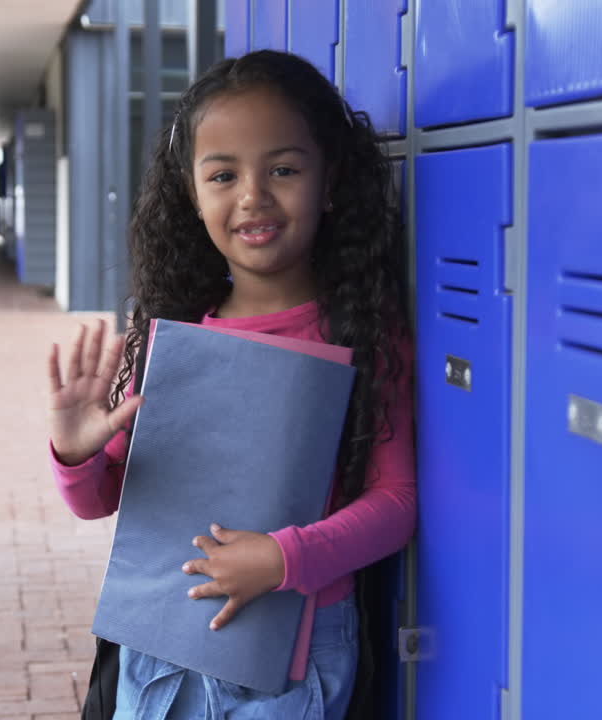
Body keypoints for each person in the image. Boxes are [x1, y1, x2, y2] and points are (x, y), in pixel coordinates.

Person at [46, 50, 415, 720]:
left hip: (289, 655)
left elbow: (396, 501)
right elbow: (103, 500)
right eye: (224, 174)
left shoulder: (362, 330)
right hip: (161, 648)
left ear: (329, 181)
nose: (253, 195)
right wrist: (75, 454)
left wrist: (284, 558)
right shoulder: (173, 331)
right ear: (192, 193)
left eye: (283, 168)